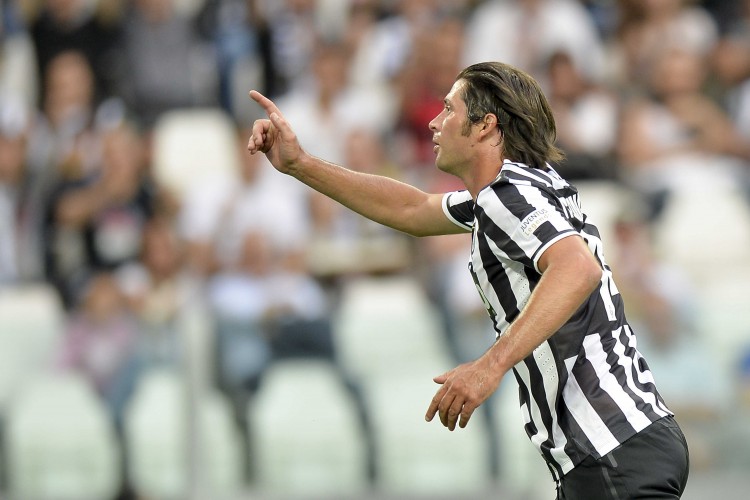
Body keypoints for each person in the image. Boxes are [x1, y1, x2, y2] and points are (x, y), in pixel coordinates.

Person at [246, 61, 690, 498]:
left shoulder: (506, 195)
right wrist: (300, 163)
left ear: (485, 126)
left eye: (449, 109)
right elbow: (411, 210)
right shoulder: (520, 189)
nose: (435, 122)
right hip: (624, 440)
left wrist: (488, 367)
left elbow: (578, 268)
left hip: (608, 444)